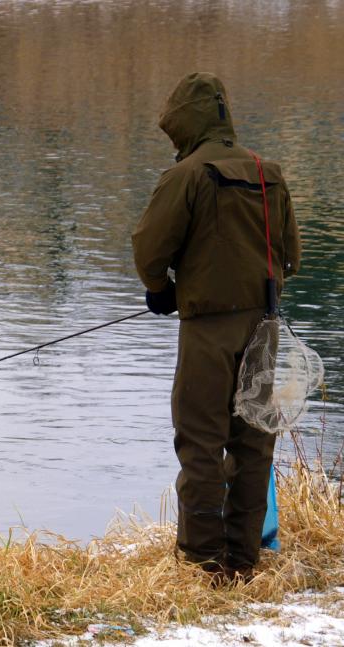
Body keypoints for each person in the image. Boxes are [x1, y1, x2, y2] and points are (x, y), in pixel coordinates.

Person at [131, 72, 301, 581]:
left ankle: (203, 563)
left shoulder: (185, 176)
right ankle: (243, 561)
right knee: (252, 442)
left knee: (200, 441)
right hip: (264, 327)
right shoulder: (266, 171)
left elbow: (149, 249)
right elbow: (290, 256)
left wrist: (161, 289)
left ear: (187, 122)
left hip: (207, 329)